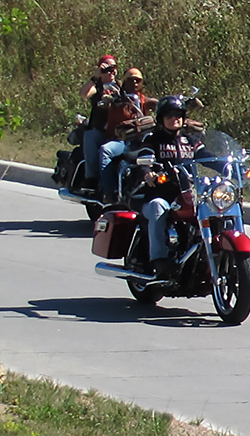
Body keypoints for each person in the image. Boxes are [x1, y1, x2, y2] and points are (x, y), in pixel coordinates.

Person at [134, 95, 214, 278]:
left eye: (178, 115)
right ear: (161, 118)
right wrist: (148, 172)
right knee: (158, 208)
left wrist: (230, 166)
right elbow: (144, 157)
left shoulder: (190, 140)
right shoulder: (153, 139)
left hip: (187, 193)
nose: (174, 118)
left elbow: (206, 157)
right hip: (159, 193)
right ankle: (159, 260)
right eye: (169, 115)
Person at [98, 68, 159, 203]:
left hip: (139, 142)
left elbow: (156, 104)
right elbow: (105, 99)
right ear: (124, 81)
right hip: (120, 141)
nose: (135, 82)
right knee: (106, 150)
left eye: (138, 80)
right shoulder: (115, 95)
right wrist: (108, 99)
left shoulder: (143, 100)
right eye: (131, 80)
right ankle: (109, 193)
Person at [79, 55, 119, 187]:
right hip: (100, 130)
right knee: (90, 136)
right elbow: (84, 94)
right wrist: (95, 77)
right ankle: (91, 178)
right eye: (107, 68)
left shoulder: (120, 86)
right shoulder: (97, 87)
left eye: (114, 68)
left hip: (118, 132)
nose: (111, 71)